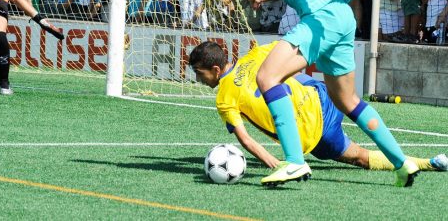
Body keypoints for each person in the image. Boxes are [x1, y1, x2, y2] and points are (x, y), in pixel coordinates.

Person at [209, 0, 419, 187]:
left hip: (322, 17)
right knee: (346, 100)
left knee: (267, 77)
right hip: (341, 16)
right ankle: (401, 162)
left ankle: (295, 161)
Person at [189, 41, 448, 180]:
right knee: (351, 103)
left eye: (199, 73)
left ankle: (427, 163)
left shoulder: (224, 97)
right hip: (320, 96)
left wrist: (276, 163)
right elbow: (295, 60)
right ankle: (425, 163)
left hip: (314, 134)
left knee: (360, 157)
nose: (198, 79)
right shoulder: (256, 53)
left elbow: (245, 139)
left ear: (214, 70)